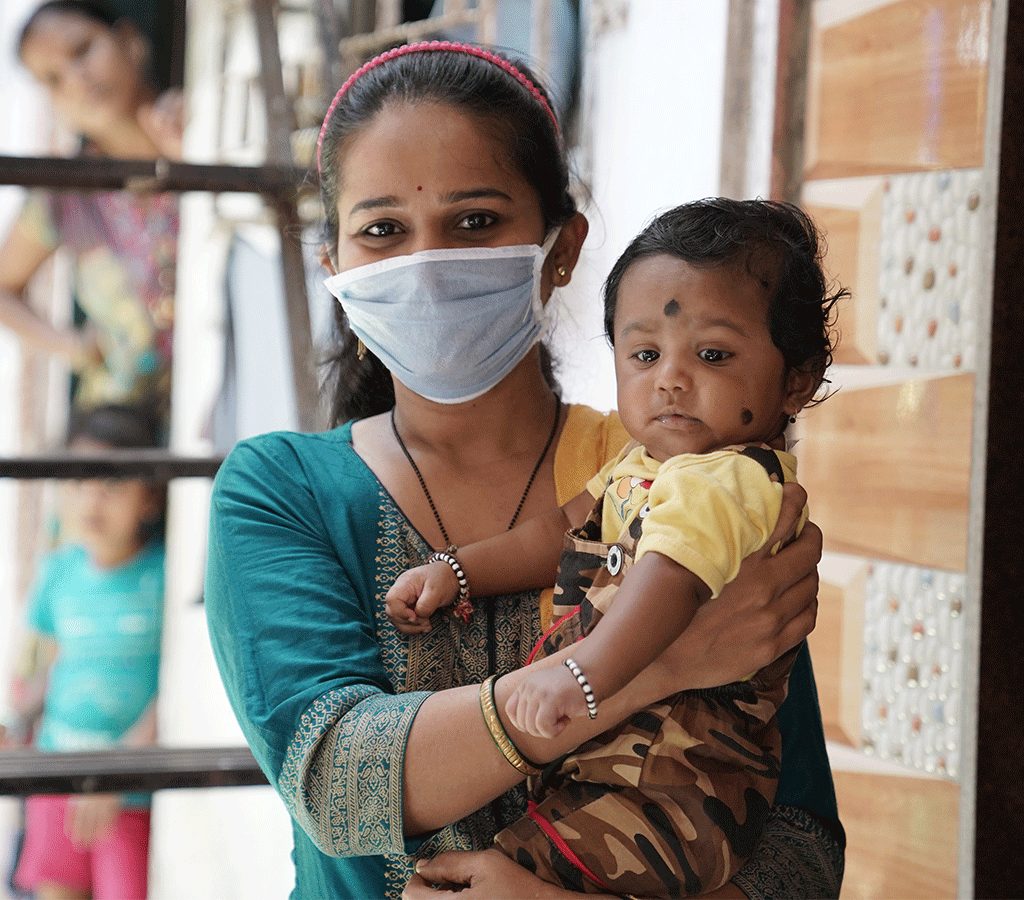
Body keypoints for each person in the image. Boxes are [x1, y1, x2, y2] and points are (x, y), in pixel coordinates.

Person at [204, 41, 844, 899]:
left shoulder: (676, 472)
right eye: (382, 230)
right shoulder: (282, 492)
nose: (425, 265)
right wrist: (657, 664)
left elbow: (798, 844)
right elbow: (337, 782)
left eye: (474, 222)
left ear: (561, 248)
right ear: (336, 270)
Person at [386, 198, 844, 896]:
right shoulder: (643, 467)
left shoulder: (726, 479)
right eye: (645, 354)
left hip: (679, 789)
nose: (670, 378)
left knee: (510, 869)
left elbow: (671, 579)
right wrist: (462, 568)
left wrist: (582, 677)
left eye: (713, 355)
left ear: (796, 381)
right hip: (631, 772)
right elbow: (559, 531)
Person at [8, 403, 165, 900]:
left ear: (151, 499)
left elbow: (177, 691)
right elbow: (53, 668)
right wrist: (18, 719)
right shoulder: (57, 573)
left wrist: (120, 772)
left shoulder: (165, 576)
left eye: (112, 485)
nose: (91, 501)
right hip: (58, 774)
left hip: (129, 791)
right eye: (77, 483)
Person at [0, 0, 182, 428]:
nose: (77, 80)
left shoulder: (197, 122)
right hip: (130, 431)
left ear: (129, 42)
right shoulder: (65, 194)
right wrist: (76, 347)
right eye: (53, 79)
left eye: (82, 50)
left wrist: (191, 156)